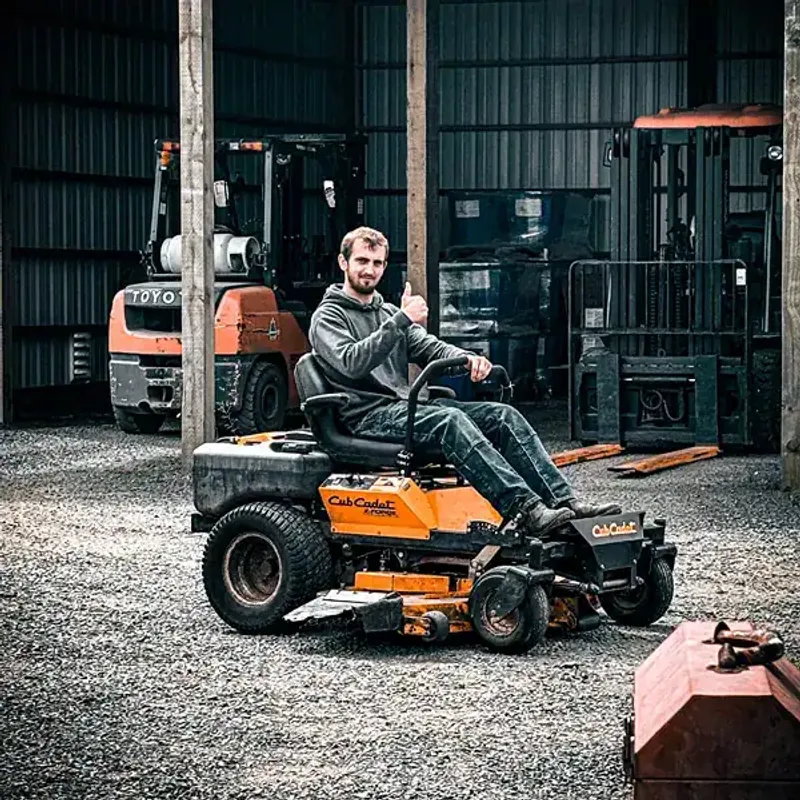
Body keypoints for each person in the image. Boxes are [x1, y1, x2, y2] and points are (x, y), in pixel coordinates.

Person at [308, 226, 621, 537]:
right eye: (362, 261)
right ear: (343, 263)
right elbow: (352, 363)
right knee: (450, 420)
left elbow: (430, 347)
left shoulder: (387, 313)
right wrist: (401, 320)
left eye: (377, 263)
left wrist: (467, 358)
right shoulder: (329, 317)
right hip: (366, 417)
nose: (369, 270)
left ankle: (564, 501)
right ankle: (526, 510)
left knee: (502, 416)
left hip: (402, 408)